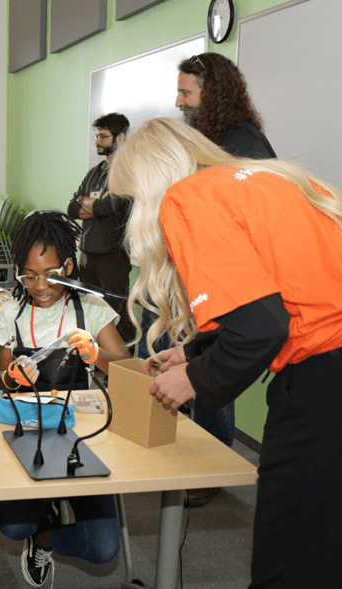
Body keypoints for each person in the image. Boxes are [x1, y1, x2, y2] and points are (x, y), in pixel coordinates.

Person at [110, 117, 342, 589]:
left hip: (325, 384)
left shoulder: (189, 197)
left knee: (292, 557)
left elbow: (261, 329)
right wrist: (195, 356)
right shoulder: (267, 178)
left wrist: (191, 380)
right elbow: (273, 295)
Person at [0, 212, 130, 587]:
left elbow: (127, 368)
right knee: (13, 525)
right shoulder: (12, 312)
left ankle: (45, 537)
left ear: (68, 265)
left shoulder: (92, 309)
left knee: (102, 547)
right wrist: (10, 375)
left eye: (50, 274)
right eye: (29, 276)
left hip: (80, 435)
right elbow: (1, 372)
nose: (40, 286)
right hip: (29, 430)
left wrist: (98, 356)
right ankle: (40, 514)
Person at [171, 52, 278, 506]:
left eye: (185, 92)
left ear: (210, 94)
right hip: (222, 280)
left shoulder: (241, 144)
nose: (177, 101)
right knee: (202, 362)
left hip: (246, 287)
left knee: (215, 372)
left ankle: (212, 467)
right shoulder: (214, 138)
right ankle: (202, 460)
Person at [67, 113, 135, 347]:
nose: (97, 141)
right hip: (87, 255)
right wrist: (94, 206)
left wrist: (90, 204)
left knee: (118, 316)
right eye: (97, 135)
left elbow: (110, 206)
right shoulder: (94, 172)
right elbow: (72, 208)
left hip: (112, 257)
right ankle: (96, 362)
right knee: (90, 315)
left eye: (103, 136)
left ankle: (123, 367)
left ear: (121, 137)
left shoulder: (127, 172)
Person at [176, 53, 276, 159]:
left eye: (185, 93)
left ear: (210, 94)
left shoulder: (248, 144)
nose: (178, 103)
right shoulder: (203, 138)